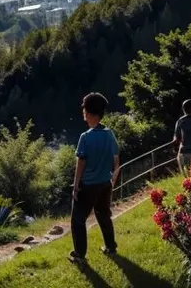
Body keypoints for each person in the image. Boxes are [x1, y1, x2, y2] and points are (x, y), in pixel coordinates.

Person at [70, 92, 120, 266]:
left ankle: (79, 255)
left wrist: (76, 186)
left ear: (90, 114)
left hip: (88, 185)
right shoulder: (109, 134)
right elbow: (116, 160)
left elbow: (81, 162)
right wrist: (113, 178)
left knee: (77, 219)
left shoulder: (85, 137)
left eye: (84, 112)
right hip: (105, 184)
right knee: (103, 214)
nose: (84, 116)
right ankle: (110, 247)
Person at [174, 99, 191, 176]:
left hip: (185, 150)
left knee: (186, 169)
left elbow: (176, 137)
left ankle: (187, 181)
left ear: (183, 109)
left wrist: (175, 147)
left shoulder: (181, 120)